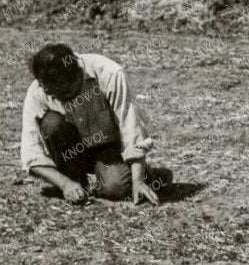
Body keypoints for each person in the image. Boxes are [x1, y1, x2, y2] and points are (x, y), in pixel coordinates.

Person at [19, 44, 170, 204]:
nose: (63, 99)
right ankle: (77, 181)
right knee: (51, 123)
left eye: (65, 93)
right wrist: (65, 184)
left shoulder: (109, 73)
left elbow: (132, 129)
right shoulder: (39, 90)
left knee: (115, 188)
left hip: (109, 150)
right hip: (70, 153)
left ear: (77, 75)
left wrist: (138, 180)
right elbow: (31, 155)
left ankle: (149, 176)